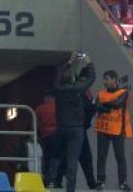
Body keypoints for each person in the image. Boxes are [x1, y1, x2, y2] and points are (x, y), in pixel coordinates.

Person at [51, 53, 97, 192]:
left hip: (62, 127)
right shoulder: (78, 89)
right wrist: (88, 61)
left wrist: (70, 61)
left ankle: (53, 180)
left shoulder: (58, 89)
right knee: (73, 159)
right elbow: (92, 78)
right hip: (76, 128)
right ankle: (70, 189)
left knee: (57, 155)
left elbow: (58, 75)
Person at [92, 71, 131, 190]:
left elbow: (117, 104)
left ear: (114, 79)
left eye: (107, 79)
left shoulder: (123, 93)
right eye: (104, 79)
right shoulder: (101, 93)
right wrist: (108, 106)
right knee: (101, 156)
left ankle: (123, 182)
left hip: (117, 129)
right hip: (103, 128)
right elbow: (97, 106)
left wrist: (104, 106)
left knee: (120, 157)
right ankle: (100, 181)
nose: (105, 82)